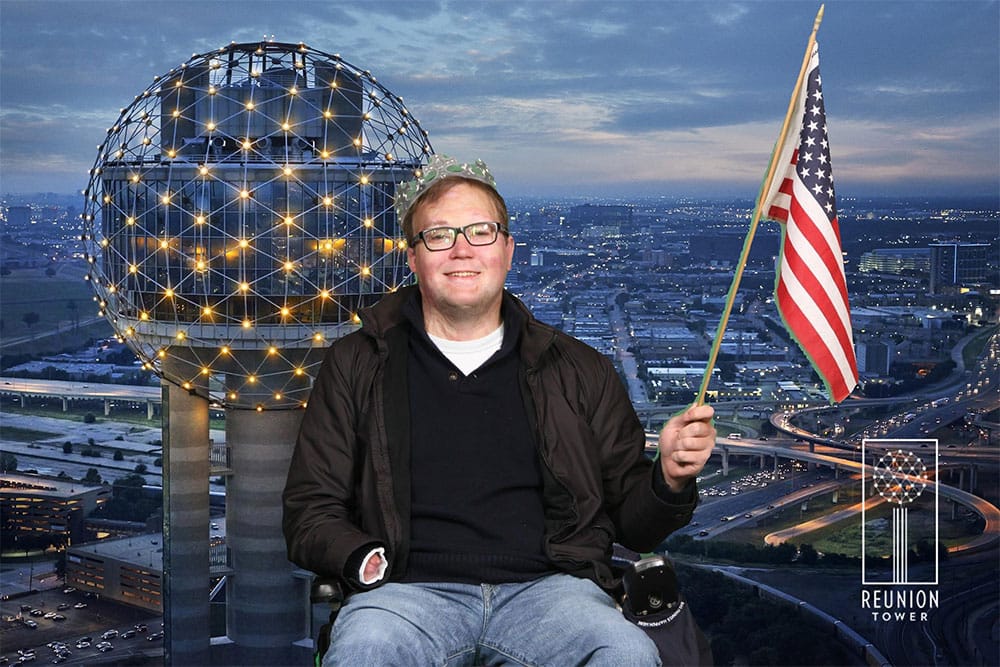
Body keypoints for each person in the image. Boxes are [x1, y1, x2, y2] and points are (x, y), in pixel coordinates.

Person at [282, 155, 715, 666]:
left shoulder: (579, 369)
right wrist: (360, 561)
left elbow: (634, 526)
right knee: (364, 653)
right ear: (413, 257)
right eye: (439, 235)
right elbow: (310, 509)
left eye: (480, 232)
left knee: (625, 654)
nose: (462, 249)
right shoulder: (356, 364)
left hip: (554, 595)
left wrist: (668, 479)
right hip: (404, 594)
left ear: (507, 250)